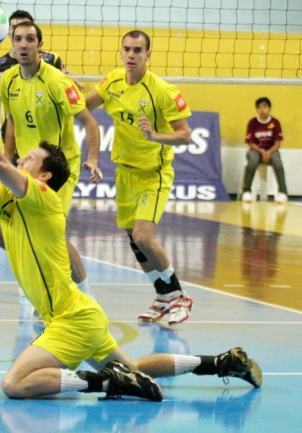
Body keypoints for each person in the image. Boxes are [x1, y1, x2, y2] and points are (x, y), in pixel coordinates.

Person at [0, 96, 262, 400]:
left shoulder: (41, 196)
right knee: (133, 368)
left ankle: (108, 382)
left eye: (31, 158)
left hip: (71, 320)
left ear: (44, 175)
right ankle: (222, 363)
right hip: (82, 315)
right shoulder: (9, 199)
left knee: (14, 384)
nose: (22, 158)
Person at [85, 30, 194, 325]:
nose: (131, 55)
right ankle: (162, 297)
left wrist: (155, 136)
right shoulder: (113, 82)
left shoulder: (162, 91)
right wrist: (64, 86)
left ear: (148, 55)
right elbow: (81, 106)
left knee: (144, 236)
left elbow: (185, 135)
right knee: (135, 240)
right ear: (121, 53)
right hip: (124, 172)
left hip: (153, 174)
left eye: (137, 50)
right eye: (127, 49)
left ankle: (178, 295)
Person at [0, 21, 102, 299]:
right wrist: (6, 161)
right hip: (27, 166)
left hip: (59, 168)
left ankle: (85, 296)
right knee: (0, 234)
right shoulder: (7, 79)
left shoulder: (57, 81)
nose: (23, 44)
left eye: (30, 39)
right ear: (12, 44)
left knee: (53, 233)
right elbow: (11, 122)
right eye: (18, 39)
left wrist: (93, 158)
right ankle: (43, 279)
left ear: (40, 45)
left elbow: (89, 122)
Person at [0, 10, 70, 153]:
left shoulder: (52, 61)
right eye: (15, 28)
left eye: (26, 27)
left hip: (46, 142)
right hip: (12, 140)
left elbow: (67, 101)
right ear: (9, 33)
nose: (23, 41)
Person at [241, 97, 288, 204]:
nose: (262, 110)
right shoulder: (252, 122)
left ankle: (282, 193)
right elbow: (251, 143)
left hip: (271, 150)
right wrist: (262, 152)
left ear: (269, 108)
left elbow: (277, 144)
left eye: (265, 107)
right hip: (256, 150)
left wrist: (268, 152)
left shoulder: (275, 122)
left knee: (278, 162)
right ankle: (246, 192)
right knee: (252, 160)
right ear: (256, 109)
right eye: (259, 107)